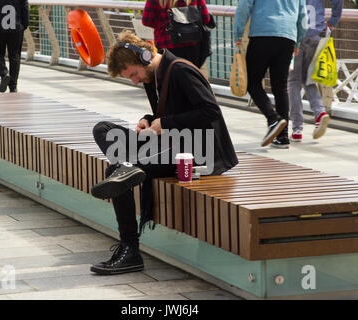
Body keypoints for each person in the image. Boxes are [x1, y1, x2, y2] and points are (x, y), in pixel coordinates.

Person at [89, 30, 238, 275]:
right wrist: (148, 120)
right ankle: (129, 167)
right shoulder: (153, 78)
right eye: (131, 78)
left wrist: (166, 123)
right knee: (103, 129)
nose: (135, 81)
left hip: (197, 154)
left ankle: (131, 250)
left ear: (145, 57)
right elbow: (167, 112)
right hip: (172, 145)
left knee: (114, 170)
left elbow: (210, 111)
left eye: (134, 74)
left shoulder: (180, 70)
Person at [233, 0, 308, 149]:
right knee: (280, 87)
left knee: (252, 81)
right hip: (287, 37)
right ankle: (282, 137)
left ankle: (273, 119)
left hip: (262, 34)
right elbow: (303, 16)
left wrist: (238, 34)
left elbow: (243, 7)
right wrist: (298, 41)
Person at [288, 0, 343, 142]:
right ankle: (319, 112)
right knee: (308, 78)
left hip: (295, 34)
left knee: (293, 81)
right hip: (316, 34)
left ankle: (297, 129)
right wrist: (333, 20)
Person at [142, 0, 212, 68]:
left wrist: (163, 27)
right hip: (192, 43)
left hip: (166, 46)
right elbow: (206, 19)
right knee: (191, 75)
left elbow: (146, 21)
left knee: (169, 76)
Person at [0, 0, 29, 93]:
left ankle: (4, 74)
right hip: (16, 27)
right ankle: (13, 86)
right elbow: (25, 8)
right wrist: (24, 25)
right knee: (15, 55)